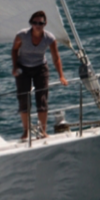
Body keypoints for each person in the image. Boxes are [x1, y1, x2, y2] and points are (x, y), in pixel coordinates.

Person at [12, 10, 68, 139]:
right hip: (23, 68)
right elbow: (14, 50)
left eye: (40, 23)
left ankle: (43, 131)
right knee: (23, 99)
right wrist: (15, 67)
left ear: (45, 23)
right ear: (31, 23)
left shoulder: (49, 38)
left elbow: (56, 58)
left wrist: (61, 76)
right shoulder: (21, 35)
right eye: (35, 22)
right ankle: (26, 131)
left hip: (40, 68)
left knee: (42, 100)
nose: (37, 25)